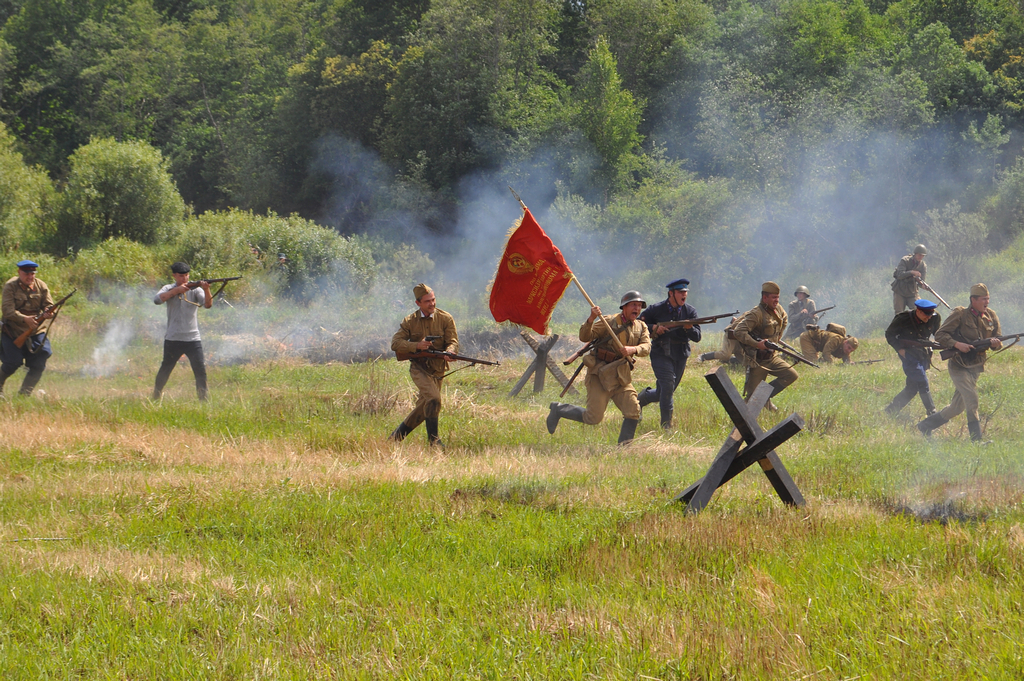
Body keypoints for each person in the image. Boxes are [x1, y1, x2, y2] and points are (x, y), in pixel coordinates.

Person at [546, 291, 651, 444]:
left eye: (640, 305)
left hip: (621, 376)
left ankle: (624, 448)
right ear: (624, 307)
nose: (637, 308)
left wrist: (633, 350)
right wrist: (591, 319)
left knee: (633, 410)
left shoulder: (641, 326)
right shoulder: (607, 321)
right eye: (634, 305)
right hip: (600, 374)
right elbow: (585, 337)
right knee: (593, 418)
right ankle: (559, 409)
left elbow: (647, 347)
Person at [918, 284, 1001, 441]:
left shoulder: (991, 316)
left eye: (988, 299)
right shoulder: (960, 314)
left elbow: (998, 339)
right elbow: (940, 335)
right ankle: (977, 441)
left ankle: (925, 426)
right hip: (959, 366)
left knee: (956, 407)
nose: (987, 302)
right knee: (972, 399)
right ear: (973, 300)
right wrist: (957, 344)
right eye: (984, 299)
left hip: (976, 367)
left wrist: (996, 345)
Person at [389, 283, 459, 446]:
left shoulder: (445, 318)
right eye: (427, 301)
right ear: (418, 303)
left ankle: (395, 438)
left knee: (425, 406)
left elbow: (453, 341)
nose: (432, 304)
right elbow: (395, 343)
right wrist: (416, 346)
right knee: (434, 399)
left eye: (433, 299)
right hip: (419, 368)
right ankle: (434, 441)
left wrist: (450, 351)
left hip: (438, 369)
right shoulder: (410, 321)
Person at [636, 278, 701, 428]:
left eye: (685, 292)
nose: (683, 295)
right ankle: (666, 426)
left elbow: (697, 337)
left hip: (681, 353)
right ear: (671, 293)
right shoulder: (656, 309)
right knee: (668, 384)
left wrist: (689, 327)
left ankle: (641, 399)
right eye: (680, 292)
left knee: (664, 392)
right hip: (661, 351)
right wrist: (653, 328)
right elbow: (638, 323)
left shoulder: (690, 311)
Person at [152, 262, 212, 401]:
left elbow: (208, 305)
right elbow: (157, 300)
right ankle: (156, 396)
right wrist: (177, 291)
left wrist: (206, 289)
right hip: (173, 338)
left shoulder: (196, 289)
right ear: (174, 276)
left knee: (200, 372)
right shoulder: (168, 288)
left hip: (193, 339)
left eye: (186, 275)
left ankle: (203, 400)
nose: (184, 278)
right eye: (181, 276)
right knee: (165, 369)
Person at [733, 281, 798, 404]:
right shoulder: (756, 313)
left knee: (791, 375)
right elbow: (739, 332)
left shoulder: (778, 309)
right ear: (764, 298)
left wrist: (778, 336)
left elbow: (784, 319)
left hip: (772, 357)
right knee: (751, 400)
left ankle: (764, 399)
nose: (777, 300)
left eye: (778, 297)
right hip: (757, 360)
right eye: (774, 297)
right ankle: (757, 405)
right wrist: (757, 344)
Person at [1, 260, 55, 397]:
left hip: (36, 331)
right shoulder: (10, 287)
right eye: (27, 273)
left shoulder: (41, 285)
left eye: (32, 273)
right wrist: (25, 319)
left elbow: (48, 304)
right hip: (12, 332)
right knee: (12, 362)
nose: (30, 277)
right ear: (19, 272)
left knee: (41, 359)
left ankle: (24, 394)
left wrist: (48, 312)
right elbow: (7, 311)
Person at [884, 299, 940, 417]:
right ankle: (931, 412)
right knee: (921, 379)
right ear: (918, 311)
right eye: (926, 314)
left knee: (912, 388)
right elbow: (889, 334)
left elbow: (939, 334)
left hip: (922, 354)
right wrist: (900, 350)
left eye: (931, 314)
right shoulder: (903, 318)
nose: (929, 318)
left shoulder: (935, 318)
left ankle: (891, 410)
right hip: (908, 353)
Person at [891, 244, 927, 313]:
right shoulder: (905, 260)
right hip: (900, 290)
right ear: (915, 253)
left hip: (912, 292)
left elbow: (922, 281)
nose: (921, 257)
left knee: (919, 310)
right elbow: (899, 275)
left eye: (923, 255)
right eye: (919, 255)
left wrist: (922, 284)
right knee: (899, 313)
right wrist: (912, 272)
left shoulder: (923, 265)